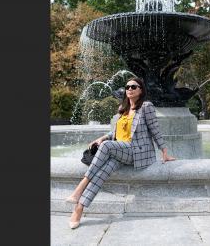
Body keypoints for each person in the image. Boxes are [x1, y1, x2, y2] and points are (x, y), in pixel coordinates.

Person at [65, 77, 176, 229]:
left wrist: (164, 152)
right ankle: (79, 208)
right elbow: (116, 133)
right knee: (102, 172)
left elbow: (155, 130)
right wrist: (101, 138)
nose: (129, 89)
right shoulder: (122, 109)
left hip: (137, 151)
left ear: (141, 90)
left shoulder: (146, 107)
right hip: (120, 150)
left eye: (133, 86)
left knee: (106, 146)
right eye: (127, 87)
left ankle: (79, 188)